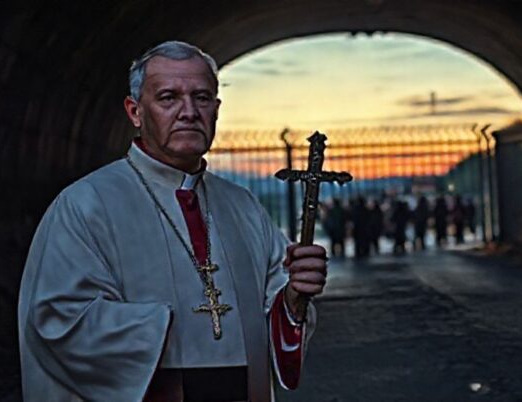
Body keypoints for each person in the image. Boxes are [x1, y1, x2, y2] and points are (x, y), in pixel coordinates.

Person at [17, 41, 328, 402]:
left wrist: (292, 299)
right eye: (168, 98)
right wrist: (163, 330)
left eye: (202, 97)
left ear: (216, 109)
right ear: (135, 112)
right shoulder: (86, 205)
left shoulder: (243, 206)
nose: (189, 112)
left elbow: (276, 305)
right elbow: (57, 321)